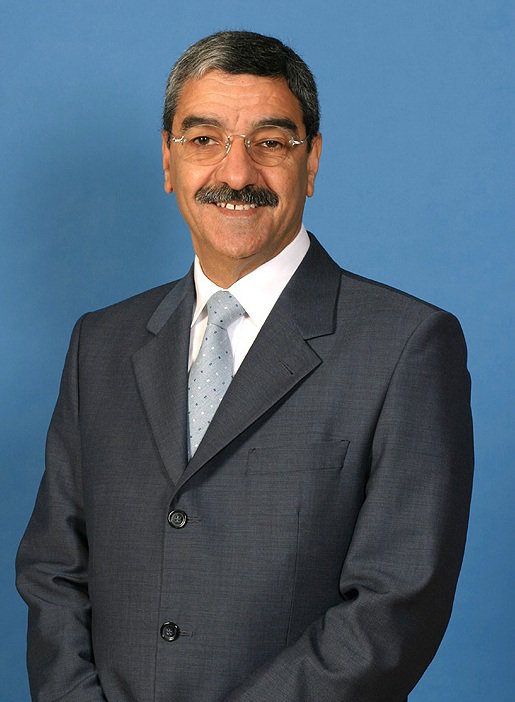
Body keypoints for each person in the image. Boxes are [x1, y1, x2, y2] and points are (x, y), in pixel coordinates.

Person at [16, 30, 474, 702]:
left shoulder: (406, 346)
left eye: (271, 142)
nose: (236, 175)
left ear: (311, 161)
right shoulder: (100, 344)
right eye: (204, 139)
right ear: (168, 161)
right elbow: (53, 570)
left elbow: (395, 606)